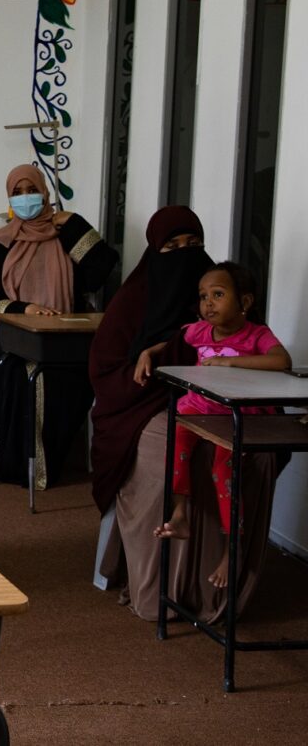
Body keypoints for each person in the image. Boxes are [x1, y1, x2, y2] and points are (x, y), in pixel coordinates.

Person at [90, 207, 284, 623]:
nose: (184, 255)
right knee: (165, 455)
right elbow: (106, 372)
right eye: (172, 247)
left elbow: (262, 358)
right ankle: (162, 591)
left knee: (255, 455)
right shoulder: (132, 300)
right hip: (144, 405)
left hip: (223, 403)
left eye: (194, 246)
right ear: (153, 252)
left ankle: (225, 585)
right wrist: (151, 370)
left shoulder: (223, 299)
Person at [141, 262, 291, 587]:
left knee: (224, 472)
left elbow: (282, 361)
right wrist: (147, 353)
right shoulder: (199, 331)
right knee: (176, 438)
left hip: (236, 418)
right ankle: (180, 515)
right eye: (203, 296)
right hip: (198, 409)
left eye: (218, 295)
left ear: (245, 302)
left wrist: (229, 361)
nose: (208, 303)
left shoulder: (257, 335)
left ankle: (231, 549)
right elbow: (172, 340)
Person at [0, 163, 117, 489]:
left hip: (65, 337)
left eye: (32, 190)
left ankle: (53, 455)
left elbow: (100, 270)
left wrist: (76, 224)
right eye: (17, 193)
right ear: (9, 199)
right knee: (23, 372)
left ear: (46, 193)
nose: (26, 198)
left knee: (77, 373)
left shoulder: (64, 237)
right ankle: (20, 462)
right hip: (12, 337)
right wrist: (28, 309)